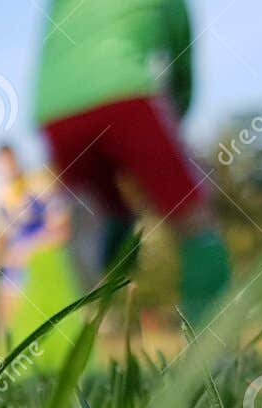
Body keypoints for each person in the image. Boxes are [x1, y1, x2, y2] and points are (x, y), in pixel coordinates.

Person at [34, 0, 231, 322]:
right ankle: (210, 343)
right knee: (194, 219)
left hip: (55, 112)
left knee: (99, 220)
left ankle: (81, 324)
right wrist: (173, 132)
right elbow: (182, 67)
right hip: (126, 95)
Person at [0, 146, 74, 330]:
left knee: (52, 325)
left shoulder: (39, 187)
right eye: (0, 165)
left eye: (8, 162)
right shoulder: (1, 198)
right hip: (14, 272)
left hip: (42, 266)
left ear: (16, 160)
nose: (5, 169)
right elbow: (0, 238)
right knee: (11, 327)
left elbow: (61, 230)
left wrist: (29, 249)